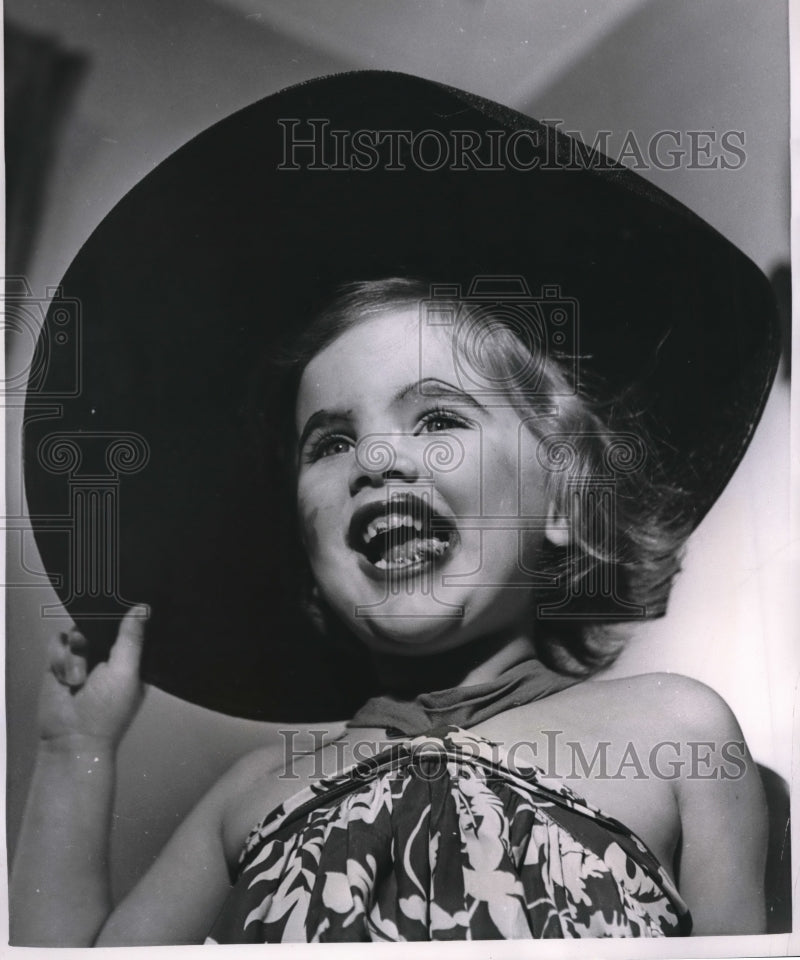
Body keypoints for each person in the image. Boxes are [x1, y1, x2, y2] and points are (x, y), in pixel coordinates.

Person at [11, 72, 779, 944]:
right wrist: (74, 755)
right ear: (306, 555)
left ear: (566, 498)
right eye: (330, 443)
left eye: (440, 419)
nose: (375, 461)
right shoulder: (250, 792)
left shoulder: (675, 731)